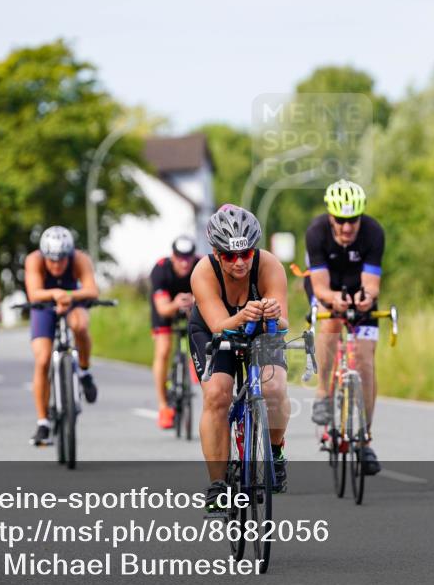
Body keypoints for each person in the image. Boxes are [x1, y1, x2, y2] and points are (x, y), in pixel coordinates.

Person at [188, 205, 291, 511]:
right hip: (213, 330)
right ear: (217, 254)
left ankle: (275, 453)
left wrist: (273, 314)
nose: (240, 262)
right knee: (218, 395)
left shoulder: (269, 265)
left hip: (261, 329)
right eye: (230, 256)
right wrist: (243, 315)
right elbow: (219, 325)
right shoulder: (203, 273)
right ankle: (218, 483)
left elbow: (284, 322)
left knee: (273, 389)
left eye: (246, 253)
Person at [304, 179, 385, 475]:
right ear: (330, 216)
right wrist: (334, 300)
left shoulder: (374, 232)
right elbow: (320, 286)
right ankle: (324, 391)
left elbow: (372, 284)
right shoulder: (316, 233)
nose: (348, 227)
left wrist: (366, 299)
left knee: (364, 362)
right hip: (327, 289)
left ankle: (363, 440)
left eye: (353, 220)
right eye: (341, 220)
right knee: (331, 324)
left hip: (358, 291)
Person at [24, 226, 99, 446]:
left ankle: (84, 370)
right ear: (44, 256)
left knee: (80, 325)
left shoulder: (80, 259)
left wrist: (66, 295)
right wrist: (54, 294)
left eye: (62, 260)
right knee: (43, 359)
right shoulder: (33, 260)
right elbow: (34, 293)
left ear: (69, 255)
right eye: (52, 260)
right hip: (44, 304)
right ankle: (43, 422)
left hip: (73, 300)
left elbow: (92, 290)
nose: (57, 265)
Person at [149, 235, 197, 429]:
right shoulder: (161, 269)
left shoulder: (201, 265)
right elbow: (162, 309)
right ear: (173, 256)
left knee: (201, 330)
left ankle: (194, 364)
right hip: (166, 309)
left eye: (188, 257)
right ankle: (163, 407)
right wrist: (176, 303)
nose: (184, 262)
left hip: (193, 307)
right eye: (180, 257)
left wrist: (194, 301)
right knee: (163, 350)